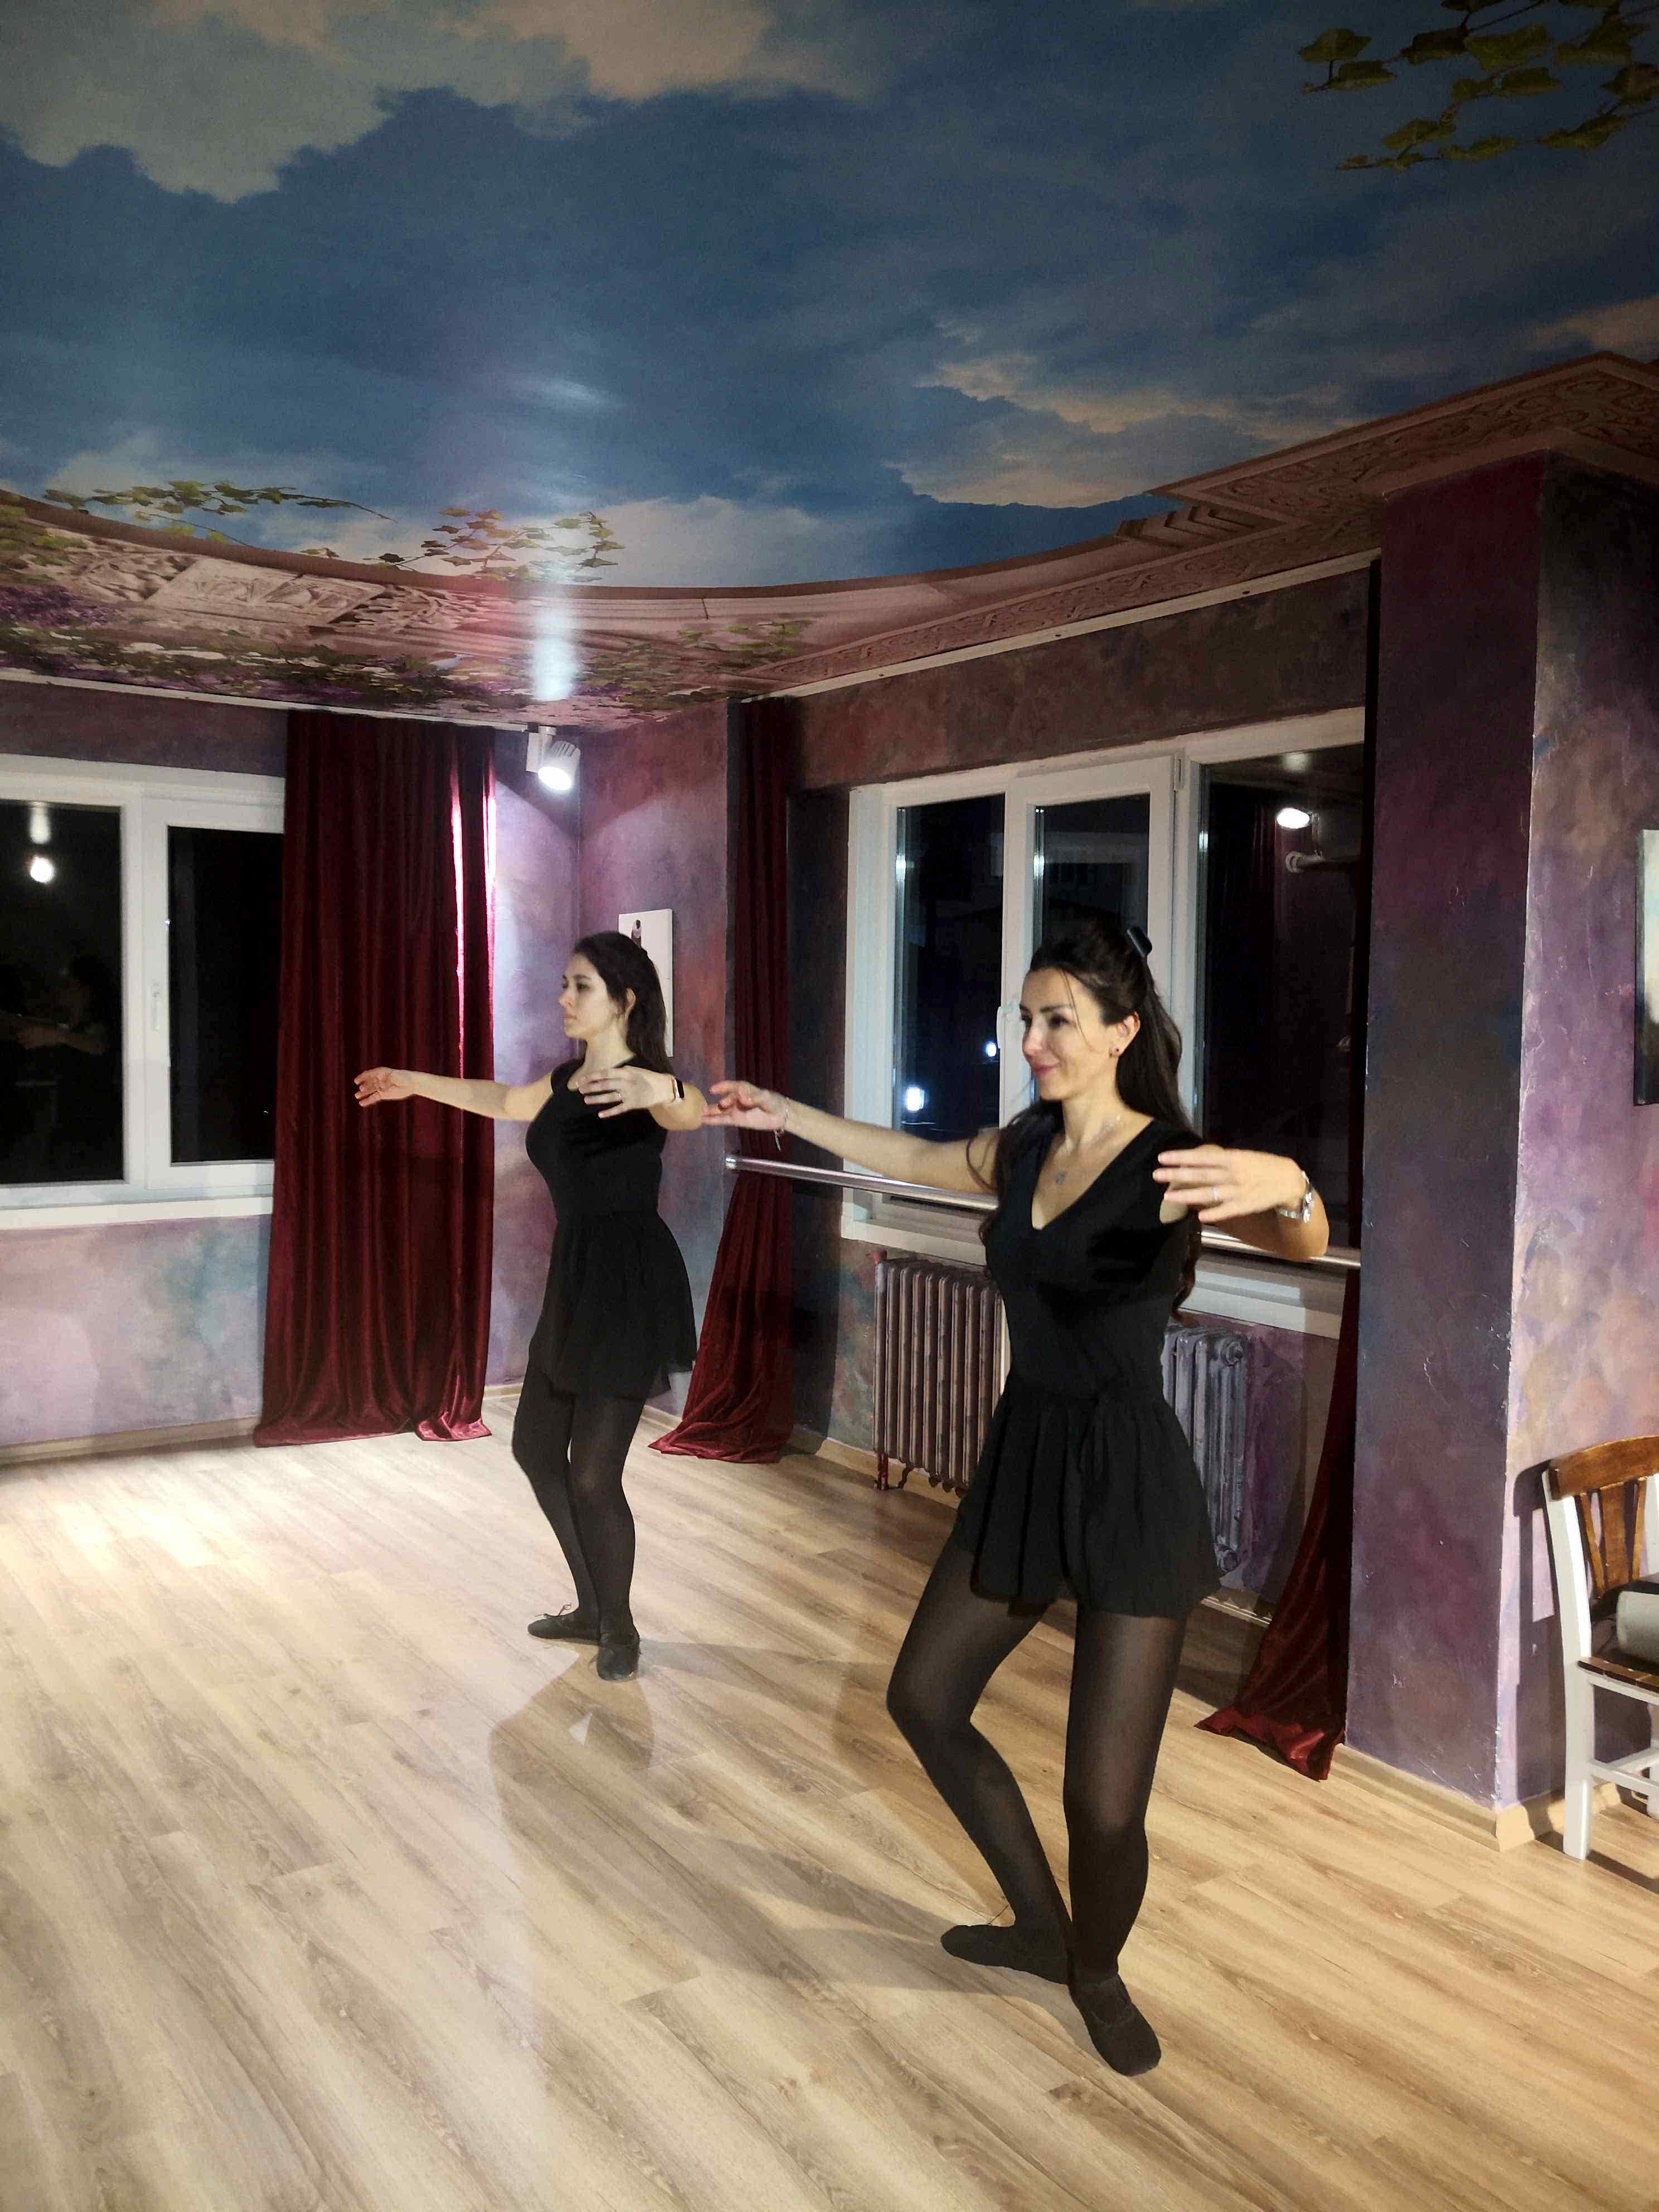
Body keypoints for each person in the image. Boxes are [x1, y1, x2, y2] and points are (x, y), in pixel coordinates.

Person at [705, 916, 1327, 2074]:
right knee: (925, 1698)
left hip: (1130, 1478)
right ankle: (1042, 1926)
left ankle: (1098, 1969)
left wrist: (1290, 1183)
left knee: (1105, 1802)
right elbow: (910, 1157)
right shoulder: (1026, 1149)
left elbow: (1300, 1241)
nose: (1032, 1040)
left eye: (1058, 1020)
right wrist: (784, 1110)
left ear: (1122, 1032)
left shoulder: (1170, 1164)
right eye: (1026, 1018)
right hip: (1026, 1457)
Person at [356, 931, 704, 1681]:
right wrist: (412, 1081)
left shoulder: (646, 1083)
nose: (564, 998)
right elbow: (506, 1100)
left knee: (594, 1475)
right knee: (537, 1449)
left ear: (625, 1001)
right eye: (565, 984)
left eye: (581, 986)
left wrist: (668, 1092)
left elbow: (690, 1111)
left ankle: (621, 1630)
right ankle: (592, 1608)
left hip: (629, 1284)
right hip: (576, 1278)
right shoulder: (569, 1078)